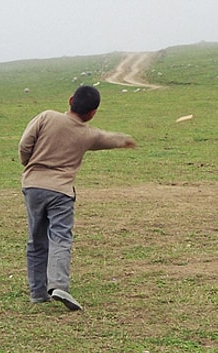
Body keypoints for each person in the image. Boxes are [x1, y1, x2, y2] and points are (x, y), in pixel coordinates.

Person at [18, 86, 136, 310]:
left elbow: (24, 144)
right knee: (60, 237)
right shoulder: (88, 134)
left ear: (70, 100)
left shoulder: (46, 116)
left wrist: (29, 165)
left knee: (36, 239)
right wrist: (125, 141)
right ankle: (59, 285)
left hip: (33, 186)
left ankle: (37, 292)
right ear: (93, 113)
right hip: (61, 191)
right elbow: (107, 138)